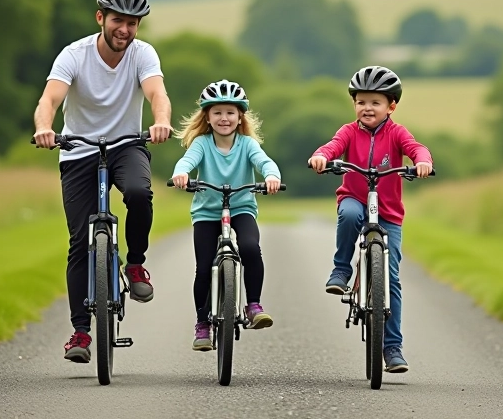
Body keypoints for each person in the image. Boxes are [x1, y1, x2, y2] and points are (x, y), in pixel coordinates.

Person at [32, 0, 174, 364]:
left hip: (127, 143)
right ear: (101, 18)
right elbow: (50, 98)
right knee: (81, 241)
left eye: (132, 23)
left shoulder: (143, 54)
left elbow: (157, 93)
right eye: (117, 21)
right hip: (77, 149)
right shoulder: (74, 55)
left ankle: (136, 263)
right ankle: (81, 332)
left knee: (140, 194)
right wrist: (45, 128)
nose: (124, 30)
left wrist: (161, 121)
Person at [307, 65, 432, 373]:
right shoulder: (349, 131)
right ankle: (341, 270)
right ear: (354, 104)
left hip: (388, 212)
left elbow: (416, 148)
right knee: (349, 214)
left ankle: (392, 348)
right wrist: (322, 156)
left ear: (391, 106)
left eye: (375, 102)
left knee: (391, 280)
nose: (367, 108)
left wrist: (422, 161)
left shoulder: (397, 133)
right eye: (361, 101)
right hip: (355, 197)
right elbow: (332, 146)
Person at [169, 79, 282, 351]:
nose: (224, 118)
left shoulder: (246, 144)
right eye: (217, 112)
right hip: (207, 213)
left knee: (251, 248)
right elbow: (187, 161)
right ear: (207, 116)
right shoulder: (202, 144)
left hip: (242, 208)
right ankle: (202, 323)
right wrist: (181, 173)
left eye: (230, 112)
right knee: (204, 266)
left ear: (240, 116)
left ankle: (253, 305)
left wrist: (271, 175)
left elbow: (264, 161)